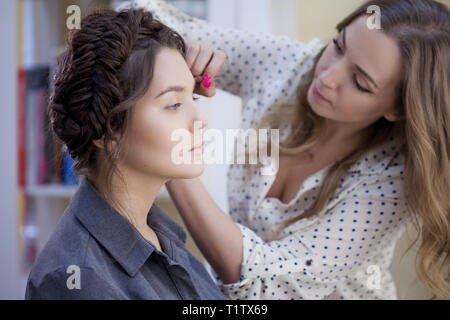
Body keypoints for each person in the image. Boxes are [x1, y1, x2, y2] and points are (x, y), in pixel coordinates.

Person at [120, 0, 450, 299]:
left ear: (397, 109)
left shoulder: (393, 182)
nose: (327, 77)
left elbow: (266, 283)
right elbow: (139, 13)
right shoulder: (288, 65)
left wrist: (175, 154)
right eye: (337, 46)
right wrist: (183, 54)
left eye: (360, 83)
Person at [25, 8, 225, 300]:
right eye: (173, 104)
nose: (201, 120)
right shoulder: (77, 280)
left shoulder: (161, 238)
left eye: (191, 97)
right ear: (107, 131)